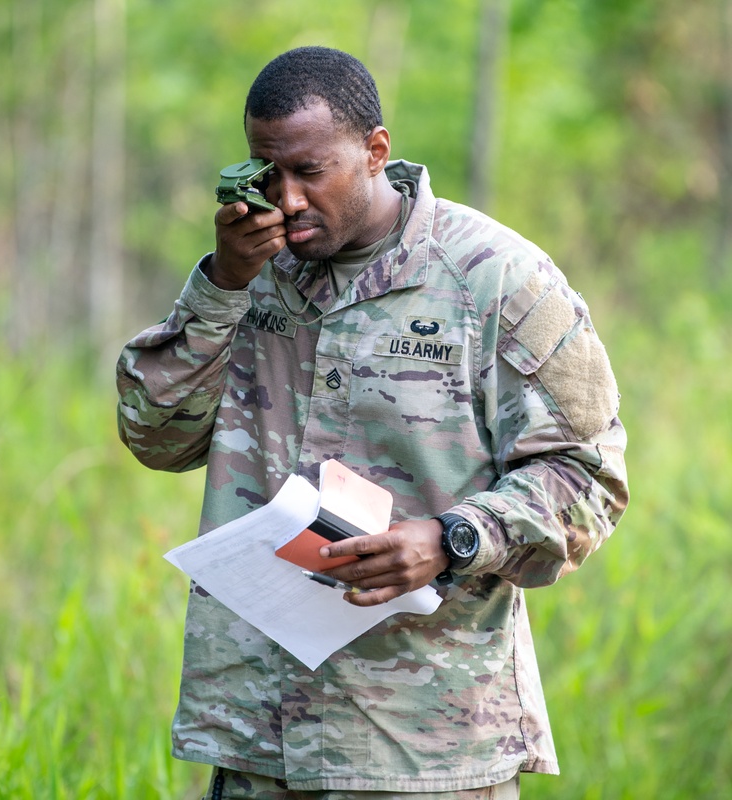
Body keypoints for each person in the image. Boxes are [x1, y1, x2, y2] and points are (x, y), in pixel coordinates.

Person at [116, 46, 628, 800]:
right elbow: (157, 436)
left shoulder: (495, 278)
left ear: (375, 151)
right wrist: (222, 284)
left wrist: (453, 538)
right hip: (264, 736)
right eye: (267, 171)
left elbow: (589, 477)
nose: (286, 199)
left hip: (426, 745)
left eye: (310, 172)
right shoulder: (249, 277)